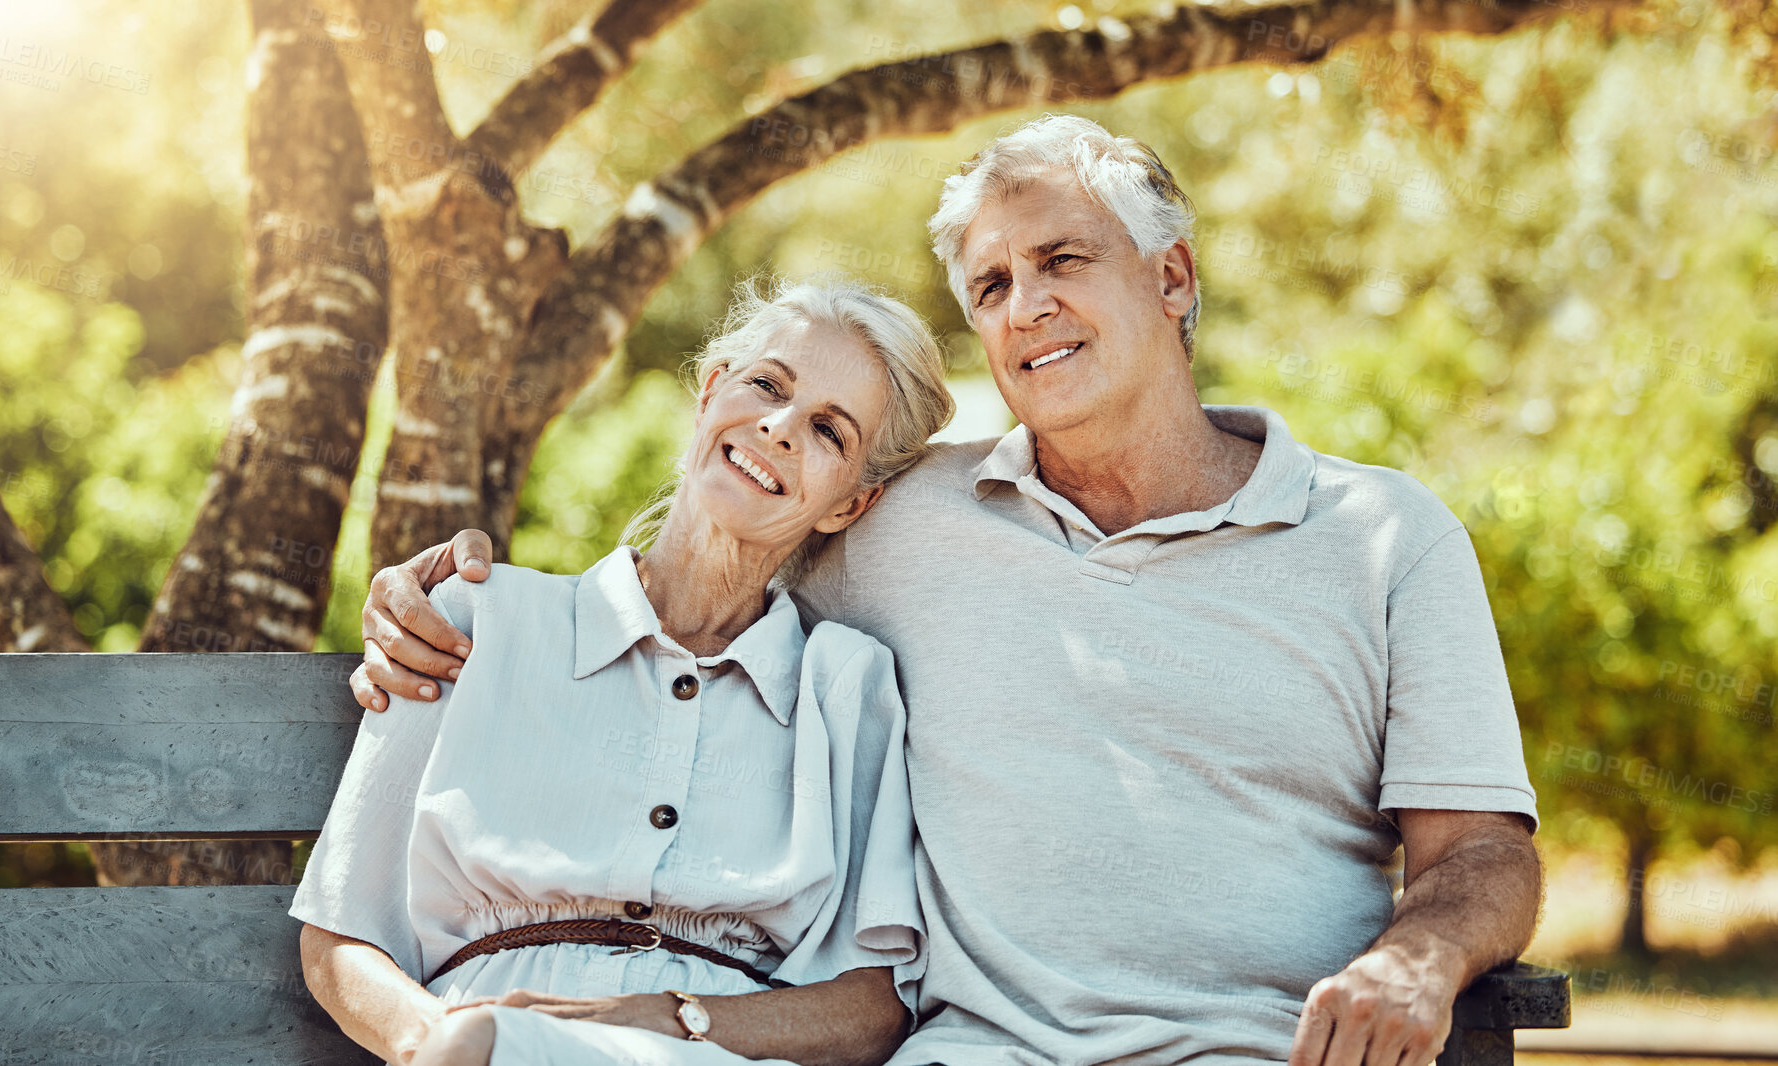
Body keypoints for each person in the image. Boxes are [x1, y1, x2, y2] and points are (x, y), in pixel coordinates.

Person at [352, 115, 1543, 1066]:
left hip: (1252, 1048)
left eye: (1062, 260)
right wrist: (438, 601)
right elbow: (706, 545)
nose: (1024, 307)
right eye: (989, 286)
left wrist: (1417, 959)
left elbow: (1483, 853)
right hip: (973, 1051)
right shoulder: (904, 508)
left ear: (1172, 276)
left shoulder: (1385, 536)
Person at [292, 277, 957, 1066]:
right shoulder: (477, 619)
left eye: (828, 432)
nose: (778, 427)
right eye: (767, 385)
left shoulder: (846, 688)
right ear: (711, 393)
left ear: (849, 504)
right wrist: (436, 1045)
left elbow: (872, 1007)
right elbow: (340, 936)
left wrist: (668, 1020)